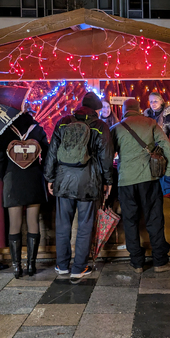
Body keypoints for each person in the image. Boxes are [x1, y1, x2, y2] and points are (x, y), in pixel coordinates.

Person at [44, 92, 114, 283]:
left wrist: (50, 177)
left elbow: (52, 152)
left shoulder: (64, 122)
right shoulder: (100, 126)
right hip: (88, 182)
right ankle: (79, 267)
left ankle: (62, 265)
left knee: (63, 224)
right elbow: (106, 158)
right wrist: (108, 181)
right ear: (97, 109)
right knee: (84, 225)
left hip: (63, 181)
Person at [111, 98, 170, 273]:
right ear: (139, 109)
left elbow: (106, 154)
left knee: (130, 222)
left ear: (124, 110)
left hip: (126, 181)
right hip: (149, 180)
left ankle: (137, 263)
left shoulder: (116, 129)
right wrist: (169, 173)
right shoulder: (150, 123)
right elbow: (167, 147)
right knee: (154, 219)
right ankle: (160, 262)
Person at [0, 111, 49, 278]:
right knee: (33, 222)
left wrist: (5, 174)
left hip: (13, 180)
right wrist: (41, 171)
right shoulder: (37, 130)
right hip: (34, 179)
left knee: (14, 224)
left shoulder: (5, 131)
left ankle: (17, 267)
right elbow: (47, 154)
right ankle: (31, 265)